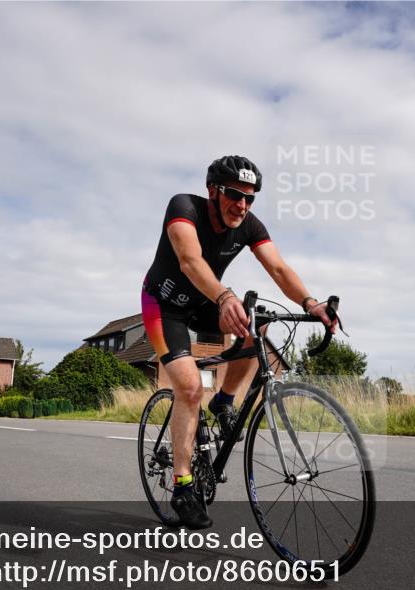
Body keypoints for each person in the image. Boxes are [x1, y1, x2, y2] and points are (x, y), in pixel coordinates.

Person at [141, 155, 334, 529]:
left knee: (255, 329)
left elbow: (278, 268)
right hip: (163, 306)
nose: (242, 205)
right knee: (189, 387)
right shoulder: (184, 207)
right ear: (212, 191)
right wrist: (226, 296)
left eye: (250, 198)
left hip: (203, 301)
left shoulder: (248, 224)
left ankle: (226, 401)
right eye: (234, 194)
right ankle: (183, 486)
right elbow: (189, 260)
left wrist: (311, 303)